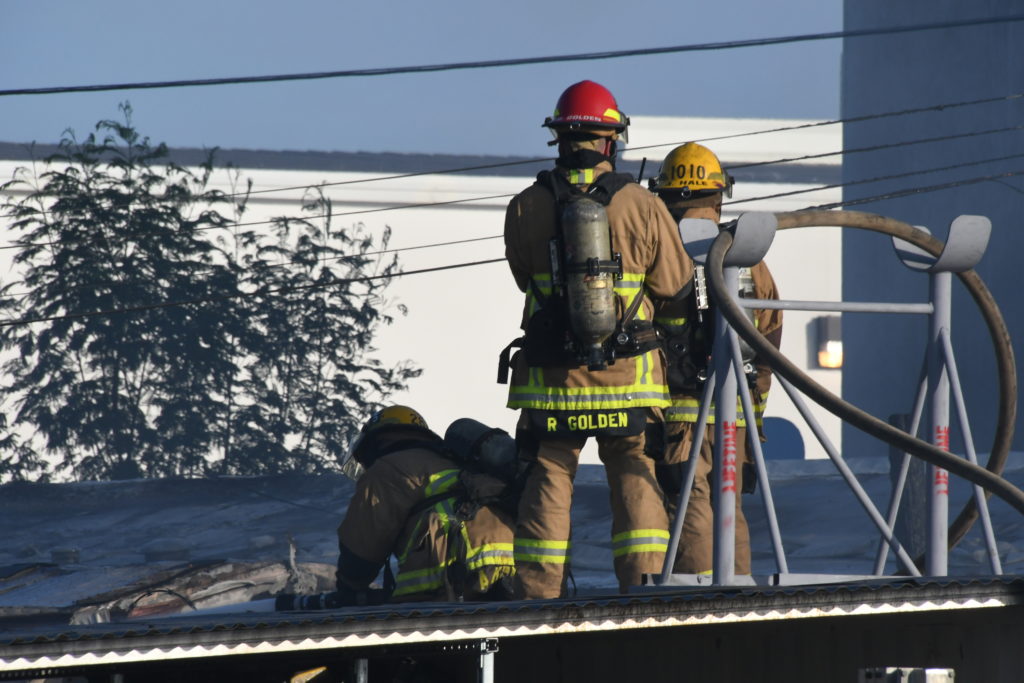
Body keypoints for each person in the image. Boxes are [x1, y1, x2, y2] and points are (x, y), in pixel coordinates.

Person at [500, 80, 695, 598]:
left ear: (559, 137)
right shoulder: (642, 205)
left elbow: (523, 278)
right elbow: (675, 288)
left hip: (552, 385)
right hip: (628, 381)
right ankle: (643, 589)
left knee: (548, 475)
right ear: (611, 139)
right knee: (635, 474)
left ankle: (537, 596)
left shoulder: (524, 206)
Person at [647, 142, 783, 576]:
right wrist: (753, 416)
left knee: (691, 509)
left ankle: (698, 601)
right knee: (730, 511)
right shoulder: (749, 259)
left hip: (680, 418)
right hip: (735, 419)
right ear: (719, 195)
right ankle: (740, 598)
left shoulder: (662, 251)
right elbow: (769, 342)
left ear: (666, 195)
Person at [334, 406, 516, 603]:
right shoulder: (451, 460)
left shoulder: (387, 468)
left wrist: (347, 588)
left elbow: (362, 545)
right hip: (512, 560)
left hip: (453, 570)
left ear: (374, 441)